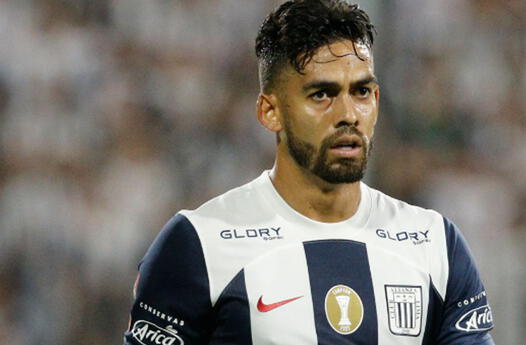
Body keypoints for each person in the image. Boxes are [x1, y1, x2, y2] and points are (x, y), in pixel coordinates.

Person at [123, 1, 495, 344]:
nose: (348, 113)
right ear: (271, 111)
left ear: (377, 101)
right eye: (321, 95)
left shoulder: (434, 244)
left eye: (361, 92)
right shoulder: (198, 244)